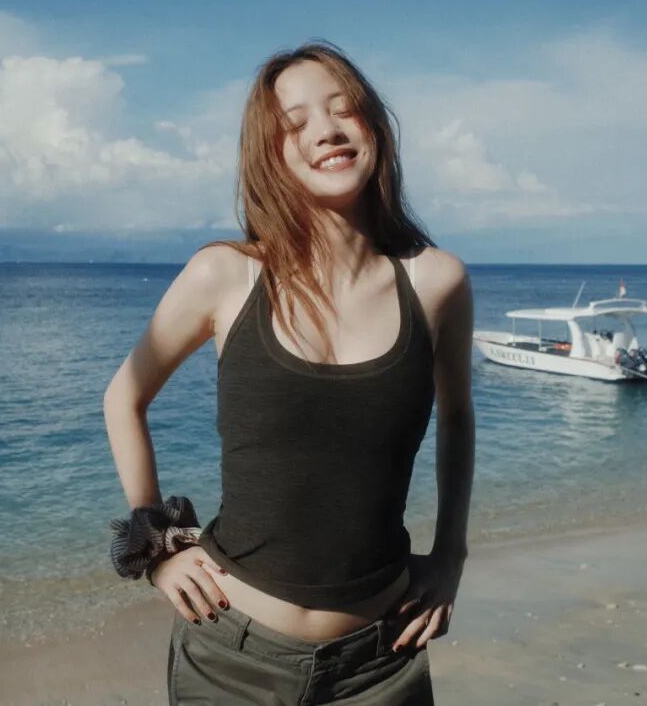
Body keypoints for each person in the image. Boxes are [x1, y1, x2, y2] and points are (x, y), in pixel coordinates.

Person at [104, 40, 475, 705]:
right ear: (270, 155)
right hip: (230, 657)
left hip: (381, 662)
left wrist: (451, 556)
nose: (326, 131)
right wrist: (157, 549)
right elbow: (124, 397)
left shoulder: (437, 282)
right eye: (295, 123)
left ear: (375, 127)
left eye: (344, 109)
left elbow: (456, 419)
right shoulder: (226, 275)